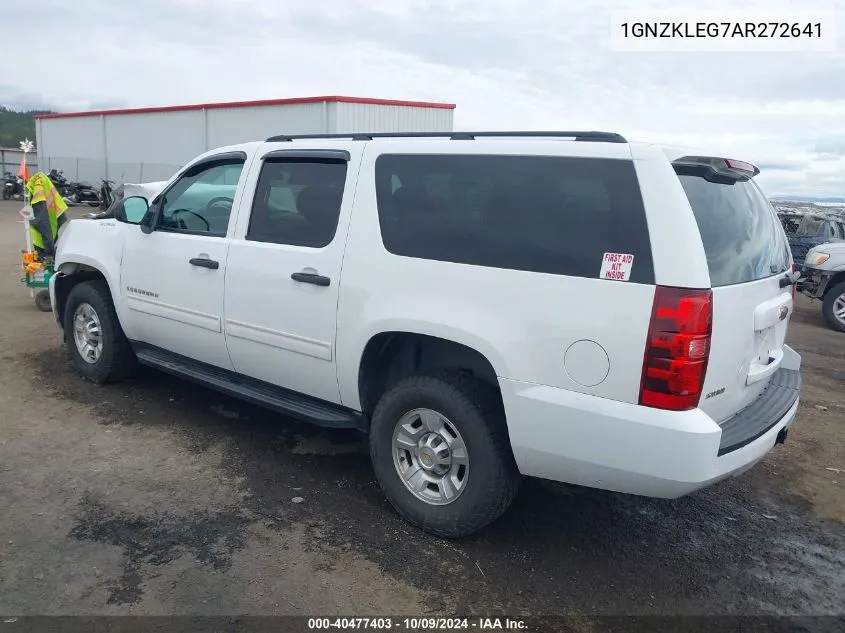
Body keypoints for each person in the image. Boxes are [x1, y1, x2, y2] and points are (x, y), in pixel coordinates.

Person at [25, 171, 68, 257]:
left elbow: (43, 224)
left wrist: (49, 252)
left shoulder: (38, 193)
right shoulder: (45, 186)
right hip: (51, 227)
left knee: (47, 264)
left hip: (42, 243)